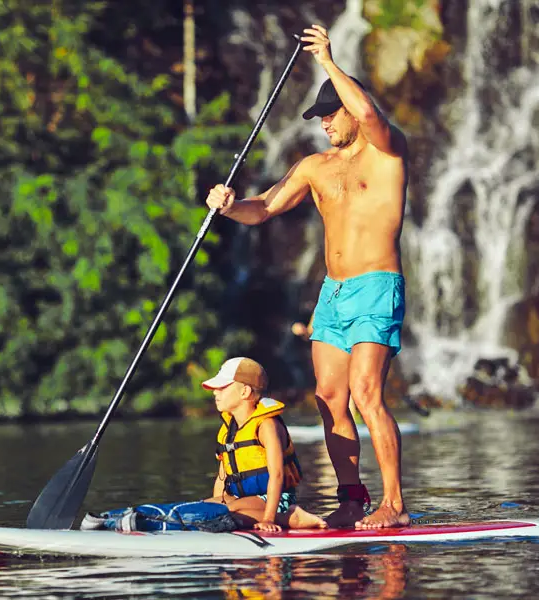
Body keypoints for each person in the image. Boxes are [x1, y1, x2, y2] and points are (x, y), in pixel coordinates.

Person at [205, 24, 410, 529]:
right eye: (318, 117)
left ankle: (395, 504)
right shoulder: (314, 167)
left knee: (366, 394)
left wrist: (326, 61)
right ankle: (353, 498)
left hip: (376, 285)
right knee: (330, 398)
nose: (324, 123)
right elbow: (265, 207)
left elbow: (366, 113)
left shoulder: (388, 152)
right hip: (333, 294)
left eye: (328, 113)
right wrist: (229, 207)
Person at [203, 356, 327, 532]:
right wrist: (216, 507)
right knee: (202, 509)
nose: (215, 392)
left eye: (222, 388)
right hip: (241, 499)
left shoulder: (267, 426)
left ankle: (291, 517)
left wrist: (269, 519)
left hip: (275, 499)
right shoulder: (227, 430)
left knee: (226, 512)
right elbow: (222, 476)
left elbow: (276, 475)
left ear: (244, 392)